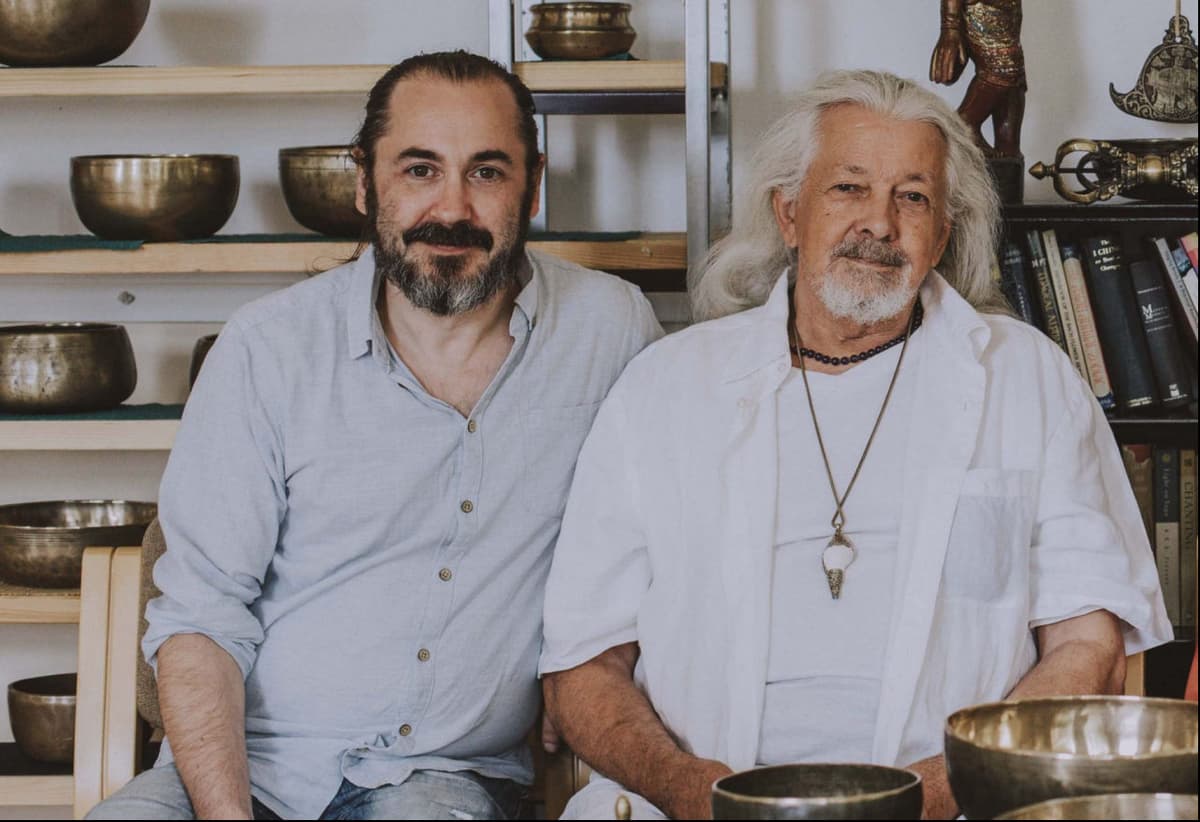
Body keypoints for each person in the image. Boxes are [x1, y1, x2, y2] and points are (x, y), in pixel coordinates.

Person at [539, 69, 1172, 820]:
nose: (880, 223)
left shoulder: (1024, 376)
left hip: (960, 803)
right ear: (789, 213)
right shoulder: (665, 386)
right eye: (848, 188)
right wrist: (687, 790)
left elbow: (1087, 642)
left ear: (941, 236)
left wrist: (944, 791)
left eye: (913, 197)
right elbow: (583, 664)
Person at [87, 51, 662, 821]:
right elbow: (200, 617)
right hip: (243, 762)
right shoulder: (267, 348)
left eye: (487, 173)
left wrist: (584, 666)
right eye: (419, 170)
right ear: (365, 181)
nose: (452, 208)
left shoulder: (610, 329)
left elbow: (656, 535)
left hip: (440, 778)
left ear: (532, 187)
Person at [930, 0, 1026, 158]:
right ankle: (964, 126)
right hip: (983, 10)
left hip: (1007, 12)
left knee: (1013, 85)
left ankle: (1009, 155)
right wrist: (950, 27)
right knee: (1003, 71)